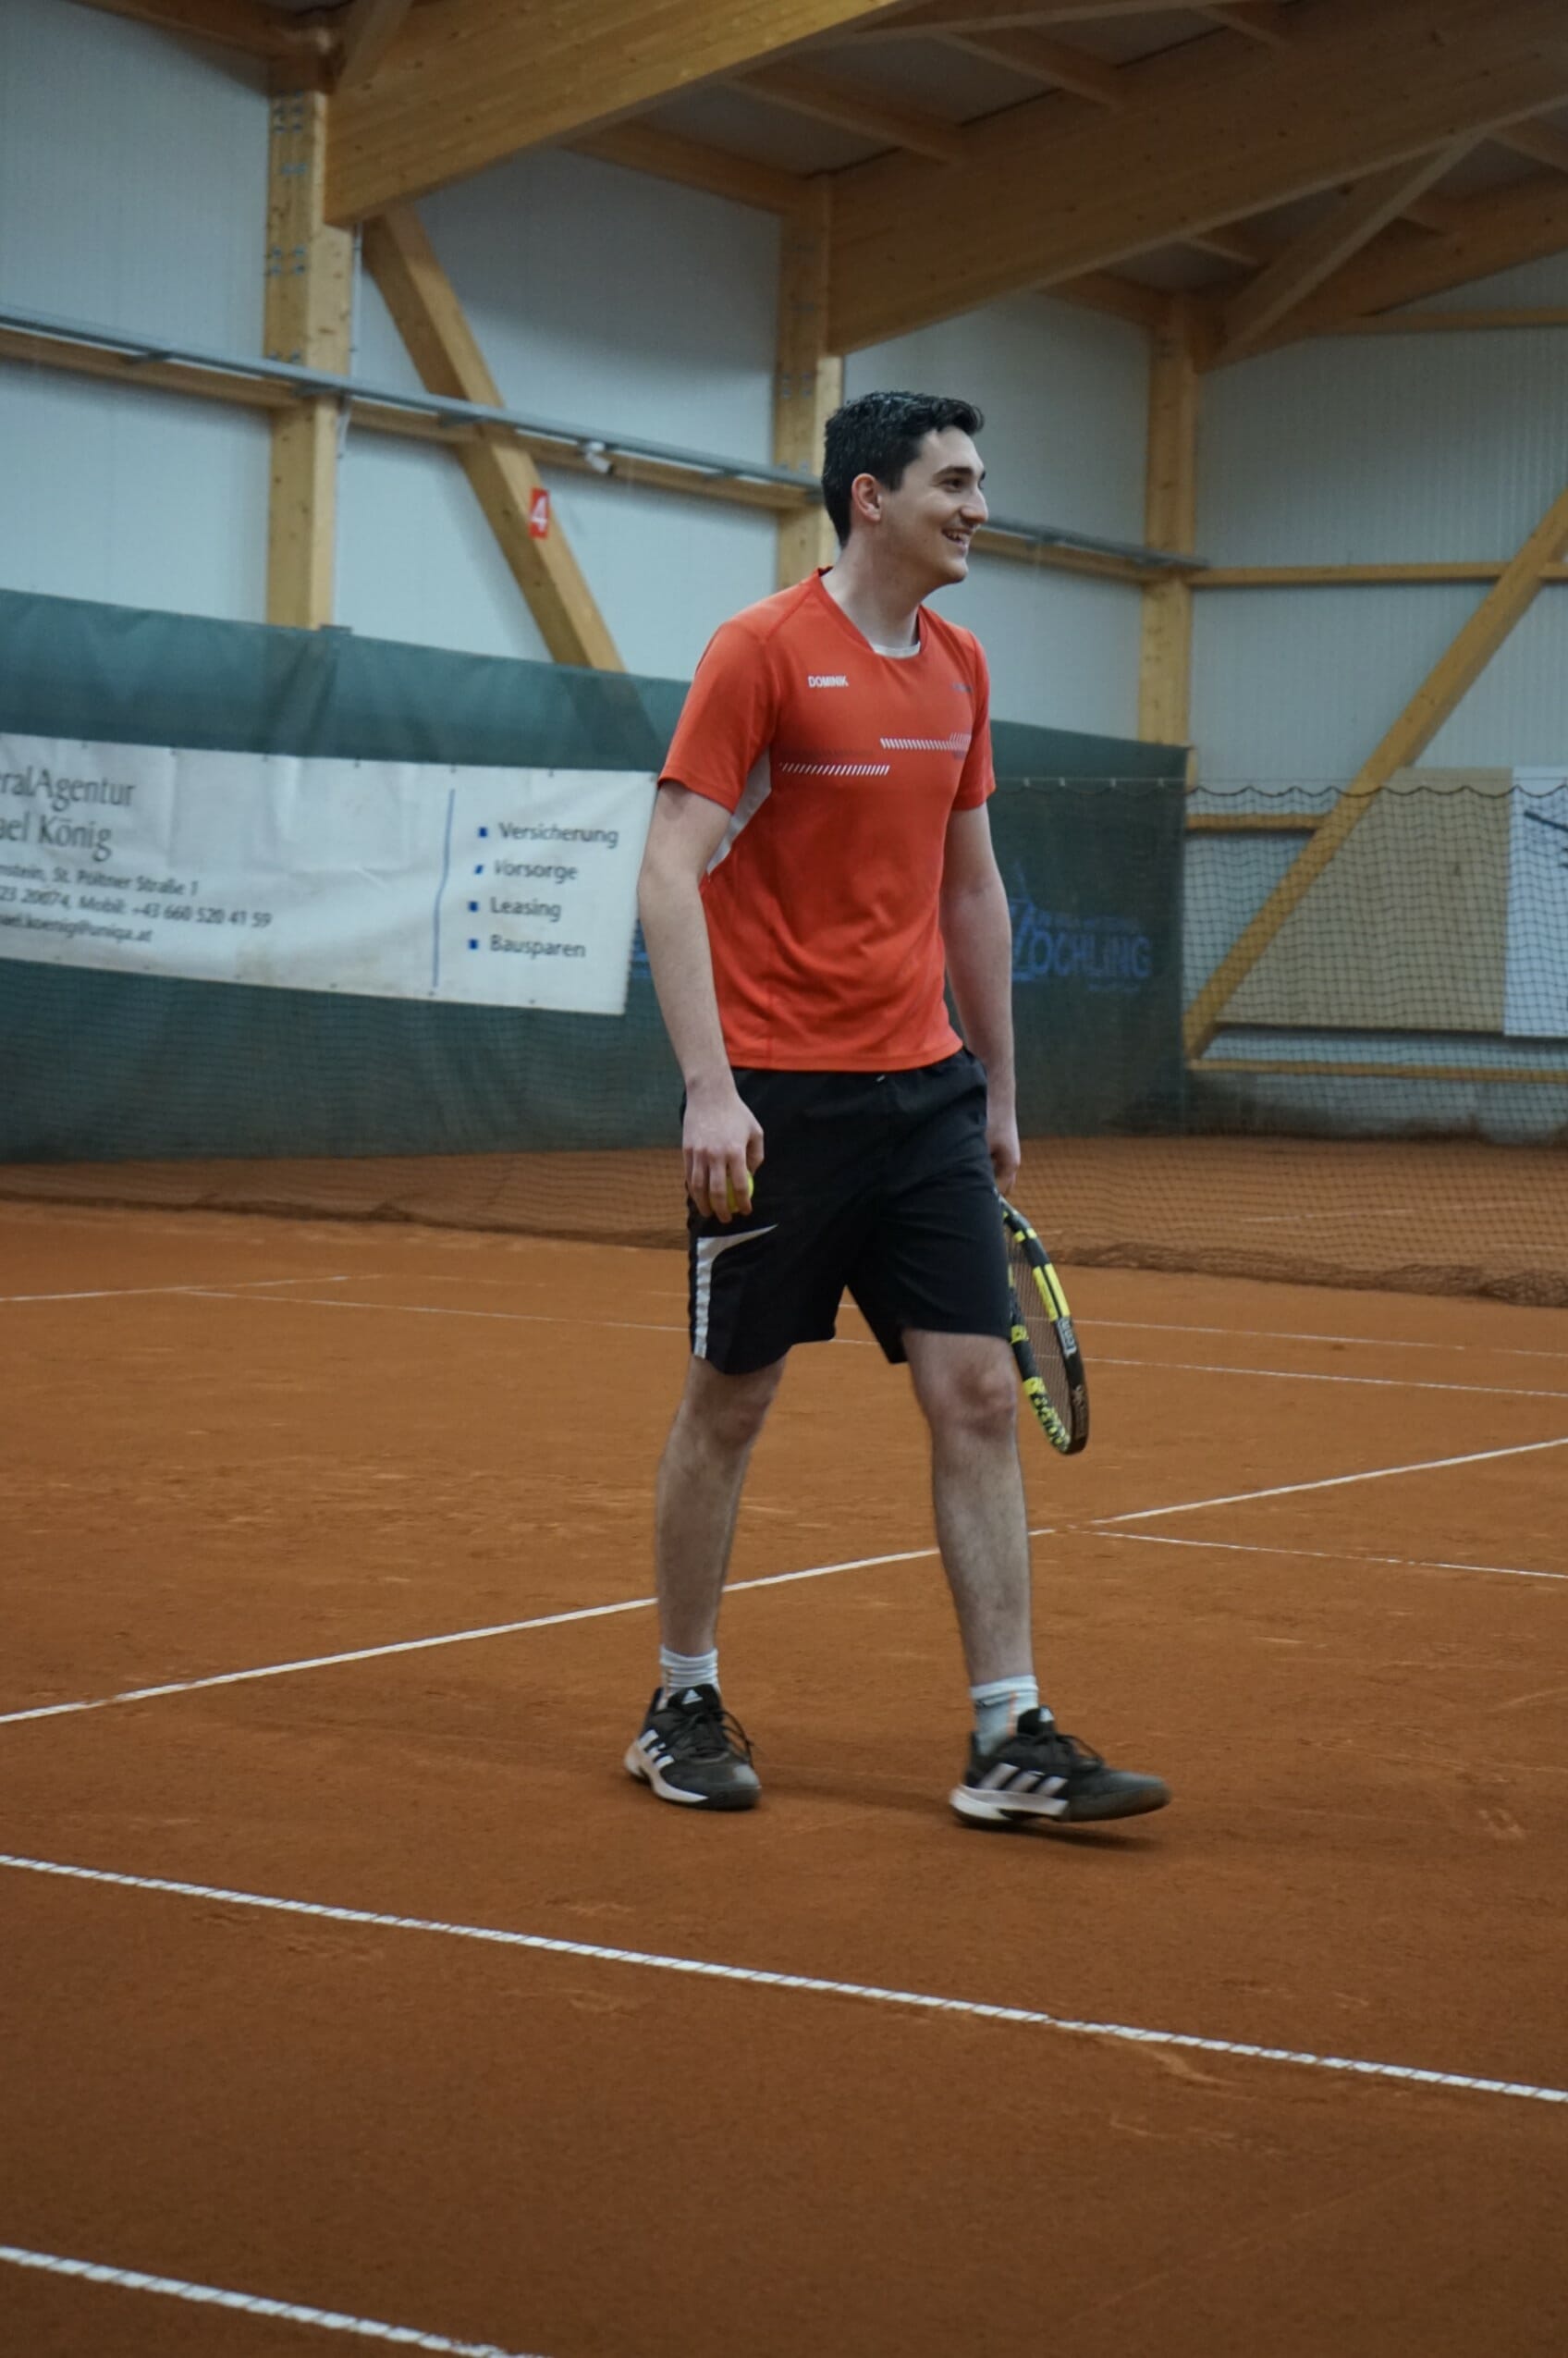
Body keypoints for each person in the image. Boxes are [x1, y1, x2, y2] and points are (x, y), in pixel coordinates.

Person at [626, 388, 1170, 1830]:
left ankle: (1009, 1733)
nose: (979, 507)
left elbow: (972, 889)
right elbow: (668, 868)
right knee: (731, 1400)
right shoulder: (760, 651)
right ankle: (681, 1697)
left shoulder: (963, 667)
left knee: (978, 1392)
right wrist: (710, 1087)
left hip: (926, 1095)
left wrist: (996, 1088)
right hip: (778, 1105)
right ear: (870, 497)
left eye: (980, 481)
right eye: (955, 482)